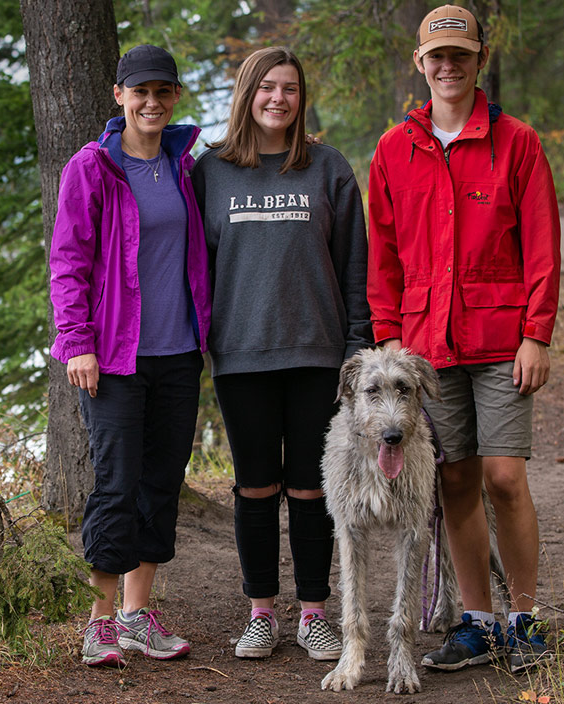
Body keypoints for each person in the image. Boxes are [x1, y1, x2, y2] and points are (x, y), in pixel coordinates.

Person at [367, 5, 560, 674]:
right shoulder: (395, 148)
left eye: (461, 55)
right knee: (454, 481)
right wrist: (389, 339)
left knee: (505, 478)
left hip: (502, 339)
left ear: (479, 60)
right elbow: (384, 255)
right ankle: (477, 623)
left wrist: (537, 334)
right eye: (436, 57)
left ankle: (526, 619)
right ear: (419, 64)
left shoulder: (518, 142)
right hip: (424, 352)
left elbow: (542, 247)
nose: (448, 66)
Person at [191, 46, 371, 661]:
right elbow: (192, 268)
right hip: (240, 355)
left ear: (301, 97)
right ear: (247, 93)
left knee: (312, 490)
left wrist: (355, 353)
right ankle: (262, 612)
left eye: (290, 89)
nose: (278, 98)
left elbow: (355, 269)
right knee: (255, 488)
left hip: (319, 355)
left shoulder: (328, 168)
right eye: (267, 87)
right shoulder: (210, 172)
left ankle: (315, 613)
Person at [49, 44, 211, 667]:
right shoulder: (92, 166)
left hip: (178, 353)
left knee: (161, 484)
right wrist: (79, 343)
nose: (151, 102)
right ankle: (100, 623)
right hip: (112, 358)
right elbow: (67, 263)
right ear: (119, 96)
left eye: (162, 92)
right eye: (139, 92)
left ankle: (138, 614)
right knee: (116, 485)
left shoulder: (183, 165)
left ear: (174, 98)